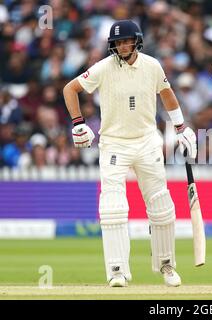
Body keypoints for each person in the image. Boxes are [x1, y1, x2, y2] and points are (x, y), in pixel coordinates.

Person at [63, 20, 197, 287]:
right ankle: (117, 271)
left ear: (137, 41)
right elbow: (70, 89)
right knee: (113, 208)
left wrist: (181, 126)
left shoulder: (152, 65)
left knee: (161, 207)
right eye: (118, 42)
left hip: (147, 142)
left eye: (127, 41)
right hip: (114, 143)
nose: (122, 46)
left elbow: (167, 93)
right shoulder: (104, 67)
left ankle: (166, 265)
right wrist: (78, 123)